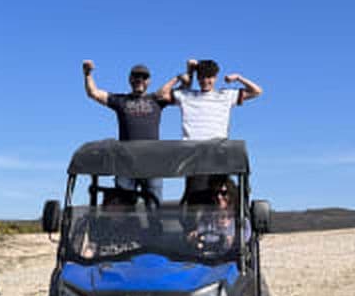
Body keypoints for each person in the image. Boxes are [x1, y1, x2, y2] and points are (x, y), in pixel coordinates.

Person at [83, 60, 168, 201]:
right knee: (124, 210)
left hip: (152, 163)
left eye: (144, 77)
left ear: (149, 81)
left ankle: (154, 224)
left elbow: (182, 93)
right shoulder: (121, 100)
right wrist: (87, 74)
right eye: (136, 77)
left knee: (155, 209)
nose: (139, 80)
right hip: (126, 164)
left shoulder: (157, 99)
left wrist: (186, 74)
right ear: (130, 79)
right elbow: (93, 93)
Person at [157, 59, 262, 141]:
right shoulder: (187, 96)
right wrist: (182, 76)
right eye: (202, 77)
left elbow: (256, 91)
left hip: (217, 149)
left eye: (209, 77)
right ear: (198, 78)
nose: (205, 81)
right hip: (190, 150)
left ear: (215, 77)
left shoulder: (225, 95)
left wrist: (239, 77)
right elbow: (161, 95)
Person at [187, 176, 251, 252]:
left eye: (223, 193)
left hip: (233, 260)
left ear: (231, 194)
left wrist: (232, 240)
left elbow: (245, 240)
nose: (219, 196)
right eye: (216, 193)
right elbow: (198, 235)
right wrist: (192, 238)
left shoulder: (241, 221)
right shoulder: (206, 220)